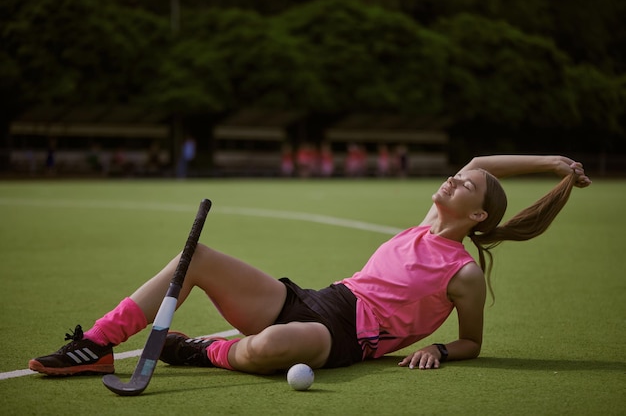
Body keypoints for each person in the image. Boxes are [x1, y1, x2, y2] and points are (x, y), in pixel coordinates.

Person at [29, 155, 592, 376]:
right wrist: (551, 163)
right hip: (317, 299)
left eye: (464, 185)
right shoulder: (425, 223)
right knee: (194, 256)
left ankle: (193, 349)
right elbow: (481, 160)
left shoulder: (463, 273)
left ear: (476, 214)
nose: (454, 178)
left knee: (275, 348)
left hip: (344, 336)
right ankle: (98, 344)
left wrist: (439, 349)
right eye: (455, 176)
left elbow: (473, 342)